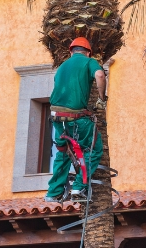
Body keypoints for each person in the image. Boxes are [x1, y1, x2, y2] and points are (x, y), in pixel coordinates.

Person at [44, 37, 107, 203]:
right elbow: (100, 75)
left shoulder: (62, 67)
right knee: (93, 150)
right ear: (87, 52)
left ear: (71, 51)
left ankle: (54, 192)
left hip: (57, 118)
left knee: (64, 150)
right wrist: (101, 99)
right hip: (76, 118)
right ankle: (79, 187)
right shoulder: (88, 62)